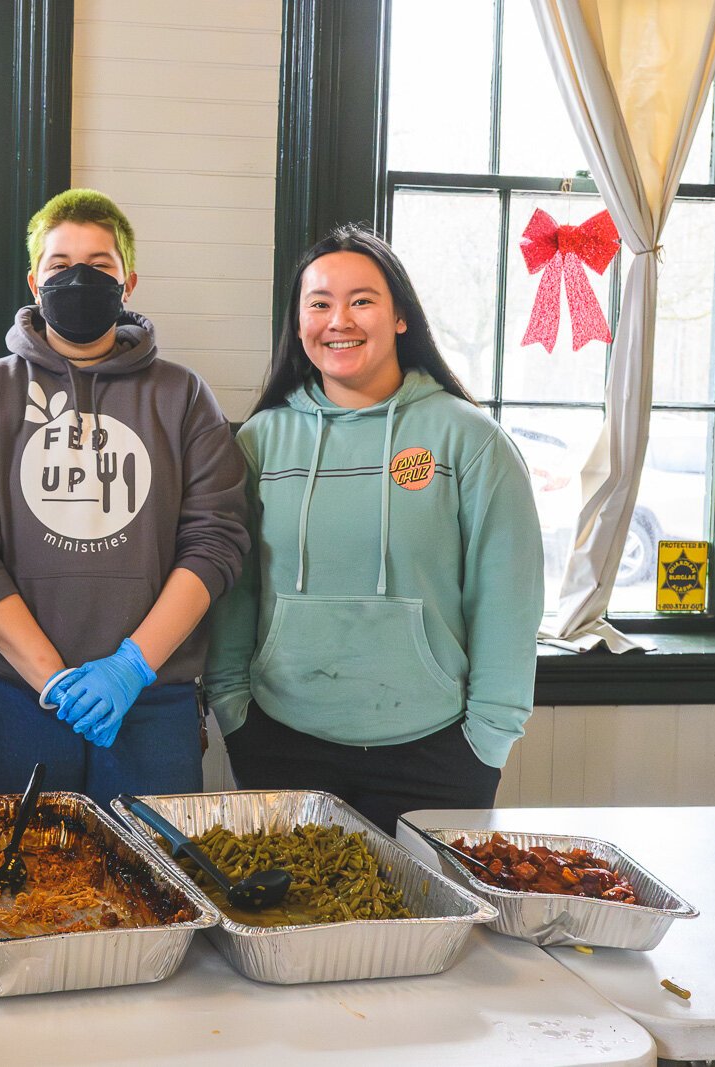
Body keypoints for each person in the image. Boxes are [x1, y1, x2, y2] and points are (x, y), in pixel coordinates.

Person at [203, 224, 544, 833]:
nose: (341, 320)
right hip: (280, 743)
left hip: (438, 755)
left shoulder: (468, 439)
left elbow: (507, 600)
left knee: (429, 932)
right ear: (299, 322)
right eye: (320, 303)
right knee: (293, 927)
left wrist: (489, 738)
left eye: (362, 300)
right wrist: (232, 707)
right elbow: (235, 589)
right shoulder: (258, 443)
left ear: (401, 318)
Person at [0, 189, 249, 800]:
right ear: (33, 280)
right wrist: (52, 679)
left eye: (99, 265)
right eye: (60, 264)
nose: (79, 277)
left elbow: (216, 542)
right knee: (23, 887)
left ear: (128, 282)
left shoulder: (183, 397)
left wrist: (132, 667)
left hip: (153, 694)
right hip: (10, 694)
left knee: (154, 884)